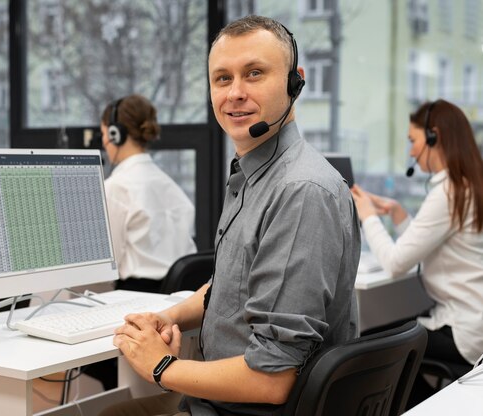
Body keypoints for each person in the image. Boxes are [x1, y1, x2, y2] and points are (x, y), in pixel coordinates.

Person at [100, 15, 360, 416]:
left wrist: (161, 366)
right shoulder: (255, 175)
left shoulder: (298, 191)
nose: (235, 93)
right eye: (222, 79)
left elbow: (272, 379)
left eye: (254, 73)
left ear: (296, 82)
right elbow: (229, 286)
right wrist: (165, 316)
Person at [351, 99, 483, 405]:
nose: (411, 151)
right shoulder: (464, 185)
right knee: (390, 334)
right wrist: (397, 214)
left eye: (414, 141)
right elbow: (434, 241)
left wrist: (368, 215)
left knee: (373, 342)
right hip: (474, 321)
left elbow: (397, 263)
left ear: (434, 137)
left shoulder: (447, 193)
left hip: (463, 331)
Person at [101, 94, 197, 293]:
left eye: (103, 134)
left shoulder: (116, 187)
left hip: (135, 298)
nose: (103, 142)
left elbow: (105, 266)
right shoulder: (170, 186)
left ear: (114, 134)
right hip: (179, 298)